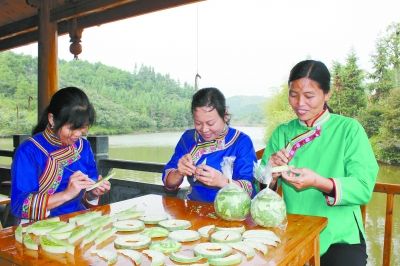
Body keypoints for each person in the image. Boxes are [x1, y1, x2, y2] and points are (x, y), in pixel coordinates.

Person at [260, 60, 378, 266]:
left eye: (309, 96)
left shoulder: (349, 130)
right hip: (293, 231)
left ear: (327, 94)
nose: (299, 103)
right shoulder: (282, 133)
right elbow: (263, 189)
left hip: (340, 235)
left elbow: (363, 186)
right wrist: (270, 171)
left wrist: (318, 182)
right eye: (293, 94)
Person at [11, 86, 110, 223]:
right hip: (40, 226)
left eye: (82, 128)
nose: (77, 134)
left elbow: (88, 191)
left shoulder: (83, 147)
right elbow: (20, 206)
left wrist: (94, 191)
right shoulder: (29, 151)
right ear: (52, 119)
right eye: (72, 128)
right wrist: (66, 194)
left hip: (79, 221)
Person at [163, 87, 257, 202]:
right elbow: (169, 185)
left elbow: (250, 189)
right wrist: (179, 172)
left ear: (225, 116)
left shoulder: (242, 142)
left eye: (210, 123)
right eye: (198, 123)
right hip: (195, 209)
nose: (204, 129)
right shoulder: (188, 139)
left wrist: (223, 181)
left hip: (232, 212)